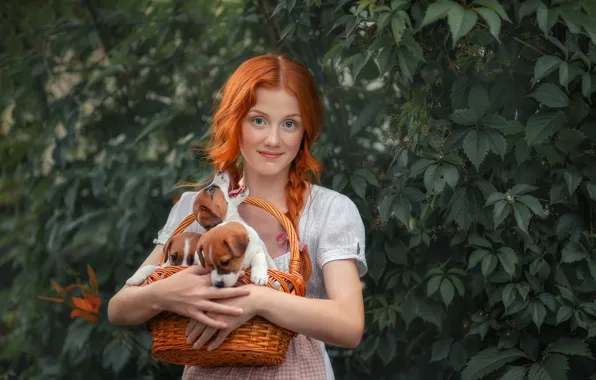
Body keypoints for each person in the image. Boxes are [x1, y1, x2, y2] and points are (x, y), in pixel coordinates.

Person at [107, 54, 367, 379]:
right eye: (258, 120)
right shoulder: (198, 208)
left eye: (289, 123)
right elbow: (119, 308)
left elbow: (350, 324)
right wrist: (166, 293)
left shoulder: (329, 210)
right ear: (235, 122)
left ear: (305, 132)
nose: (273, 138)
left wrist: (257, 300)